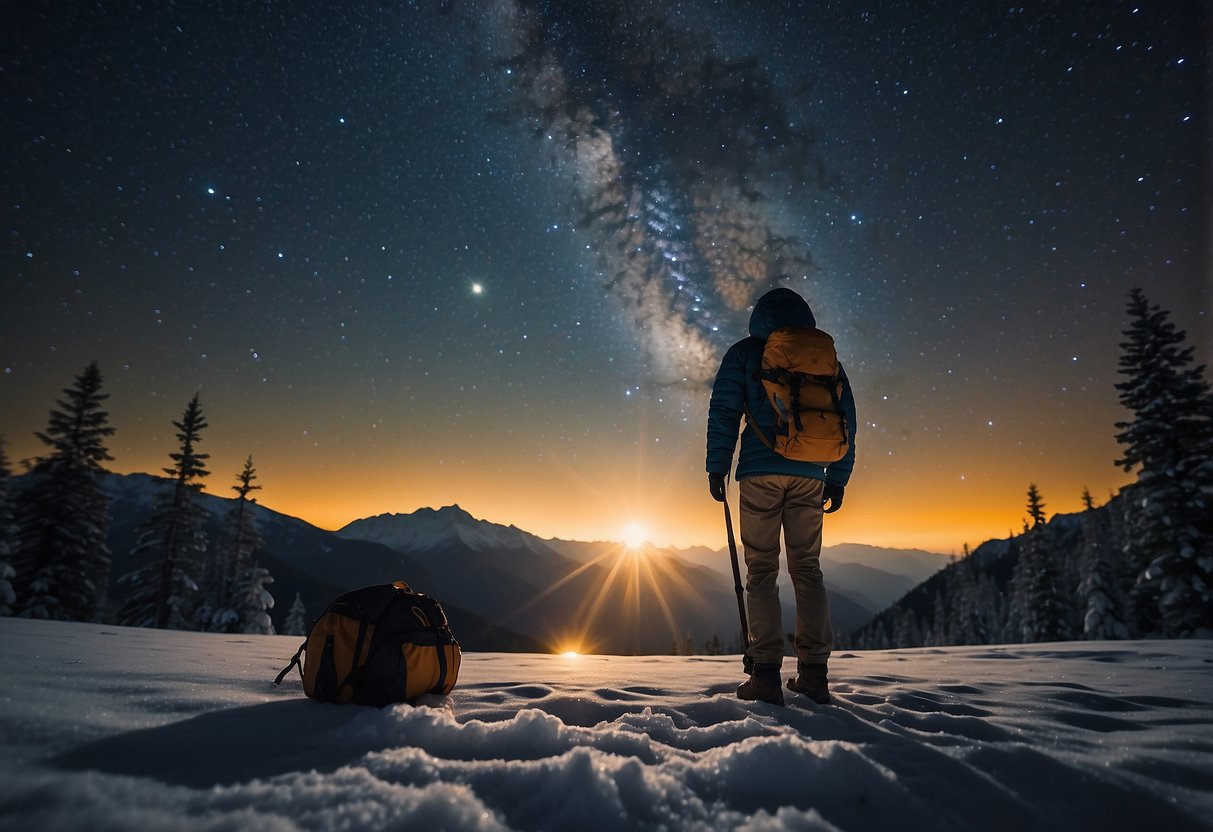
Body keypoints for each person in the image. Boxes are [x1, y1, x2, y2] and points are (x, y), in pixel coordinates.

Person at [705, 287, 857, 706]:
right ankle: (814, 675)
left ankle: (766, 676)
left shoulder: (745, 354)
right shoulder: (825, 360)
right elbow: (848, 420)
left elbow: (724, 411)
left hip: (759, 473)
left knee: (761, 573)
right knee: (808, 570)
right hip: (811, 474)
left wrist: (716, 466)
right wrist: (838, 476)